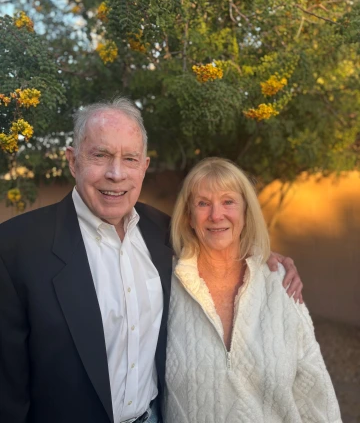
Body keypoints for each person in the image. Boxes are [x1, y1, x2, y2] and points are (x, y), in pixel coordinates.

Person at [0, 98, 302, 423]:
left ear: (143, 167)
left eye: (129, 159)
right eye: (100, 155)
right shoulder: (15, 248)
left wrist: (264, 260)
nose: (116, 174)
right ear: (73, 162)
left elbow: (219, 248)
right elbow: (7, 393)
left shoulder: (164, 233)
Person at [165, 157, 341, 423]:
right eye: (203, 203)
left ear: (246, 213)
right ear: (188, 216)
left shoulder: (278, 281)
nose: (216, 215)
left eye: (228, 201)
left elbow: (314, 388)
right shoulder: (163, 283)